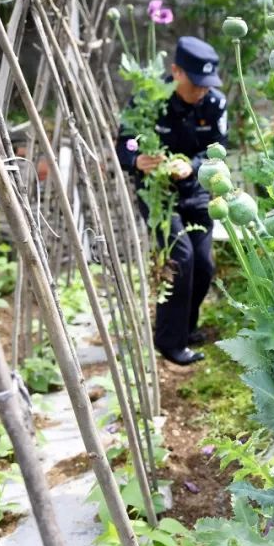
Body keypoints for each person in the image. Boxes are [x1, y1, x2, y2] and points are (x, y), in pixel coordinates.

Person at [116, 36, 227, 366]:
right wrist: (137, 161)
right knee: (180, 258)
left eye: (207, 83)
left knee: (203, 265)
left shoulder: (215, 103)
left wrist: (192, 165)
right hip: (158, 194)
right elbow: (124, 144)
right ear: (176, 72)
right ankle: (170, 342)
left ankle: (186, 328)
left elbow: (218, 149)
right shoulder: (148, 100)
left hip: (196, 190)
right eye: (196, 83)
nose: (202, 90)